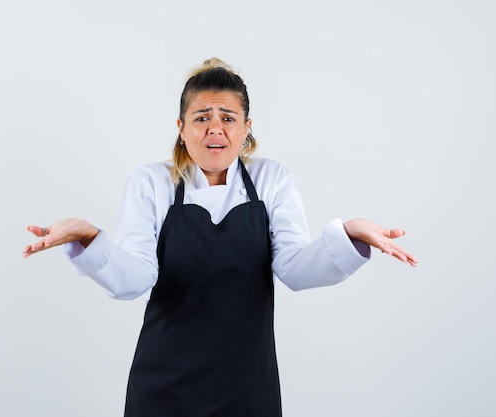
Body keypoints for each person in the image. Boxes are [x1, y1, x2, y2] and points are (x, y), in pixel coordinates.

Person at [23, 57, 417, 417]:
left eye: (228, 117)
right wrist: (89, 237)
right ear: (181, 129)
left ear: (247, 128)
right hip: (164, 388)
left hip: (247, 388)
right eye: (201, 117)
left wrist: (349, 235)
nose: (215, 128)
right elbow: (134, 279)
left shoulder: (270, 179)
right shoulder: (152, 183)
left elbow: (296, 268)